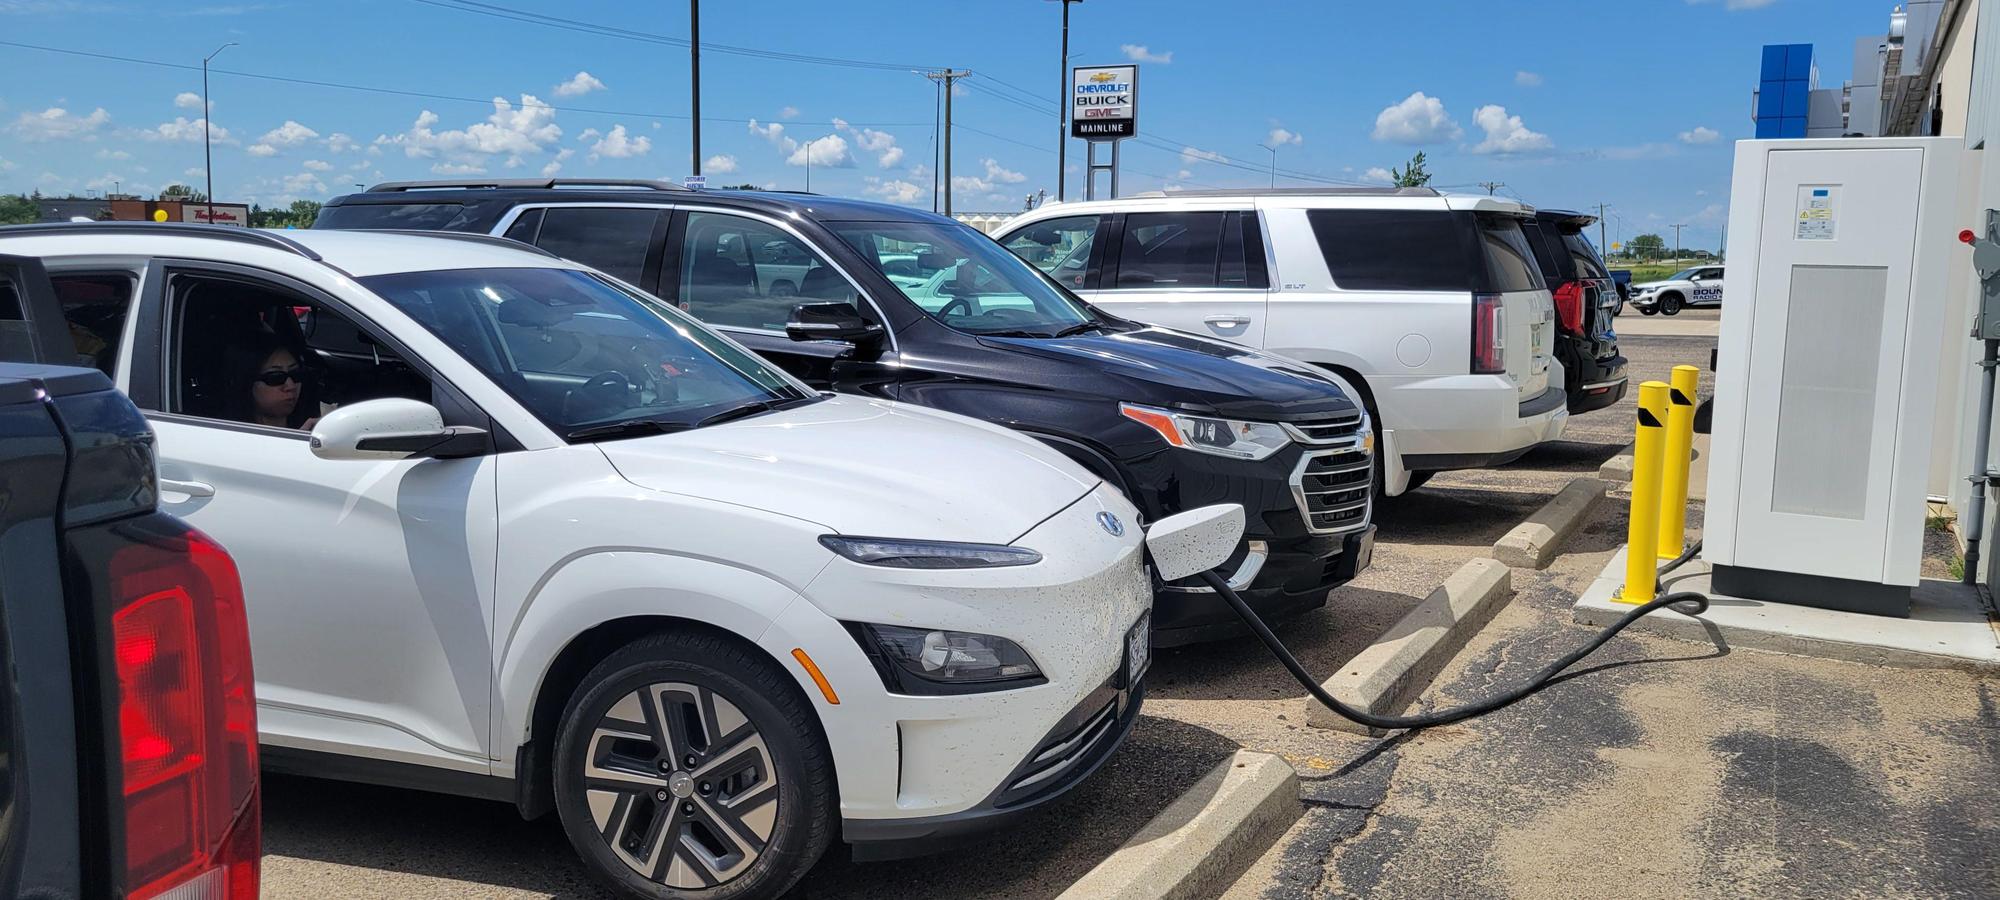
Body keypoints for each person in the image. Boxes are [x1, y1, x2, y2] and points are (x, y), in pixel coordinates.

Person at [231, 328, 319, 430]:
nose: (291, 386)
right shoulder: (228, 434)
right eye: (276, 377)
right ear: (247, 383)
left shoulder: (315, 429)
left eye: (296, 374)